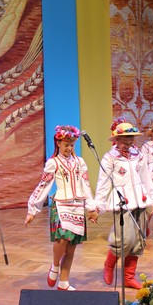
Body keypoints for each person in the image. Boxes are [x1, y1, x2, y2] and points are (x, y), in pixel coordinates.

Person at [25, 125, 99, 291]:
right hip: (62, 205)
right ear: (58, 143)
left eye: (72, 145)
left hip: (77, 205)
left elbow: (86, 185)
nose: (69, 148)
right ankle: (55, 265)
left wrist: (91, 208)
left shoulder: (80, 162)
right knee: (62, 238)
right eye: (66, 145)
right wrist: (33, 210)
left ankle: (64, 281)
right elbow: (43, 185)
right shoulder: (53, 163)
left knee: (71, 246)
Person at [95, 119, 153, 290]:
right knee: (123, 239)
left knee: (138, 240)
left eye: (131, 138)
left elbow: (146, 178)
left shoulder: (138, 155)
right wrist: (98, 206)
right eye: (125, 138)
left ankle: (129, 277)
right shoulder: (110, 158)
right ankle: (109, 264)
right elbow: (103, 183)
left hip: (141, 200)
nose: (129, 141)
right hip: (123, 202)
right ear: (117, 139)